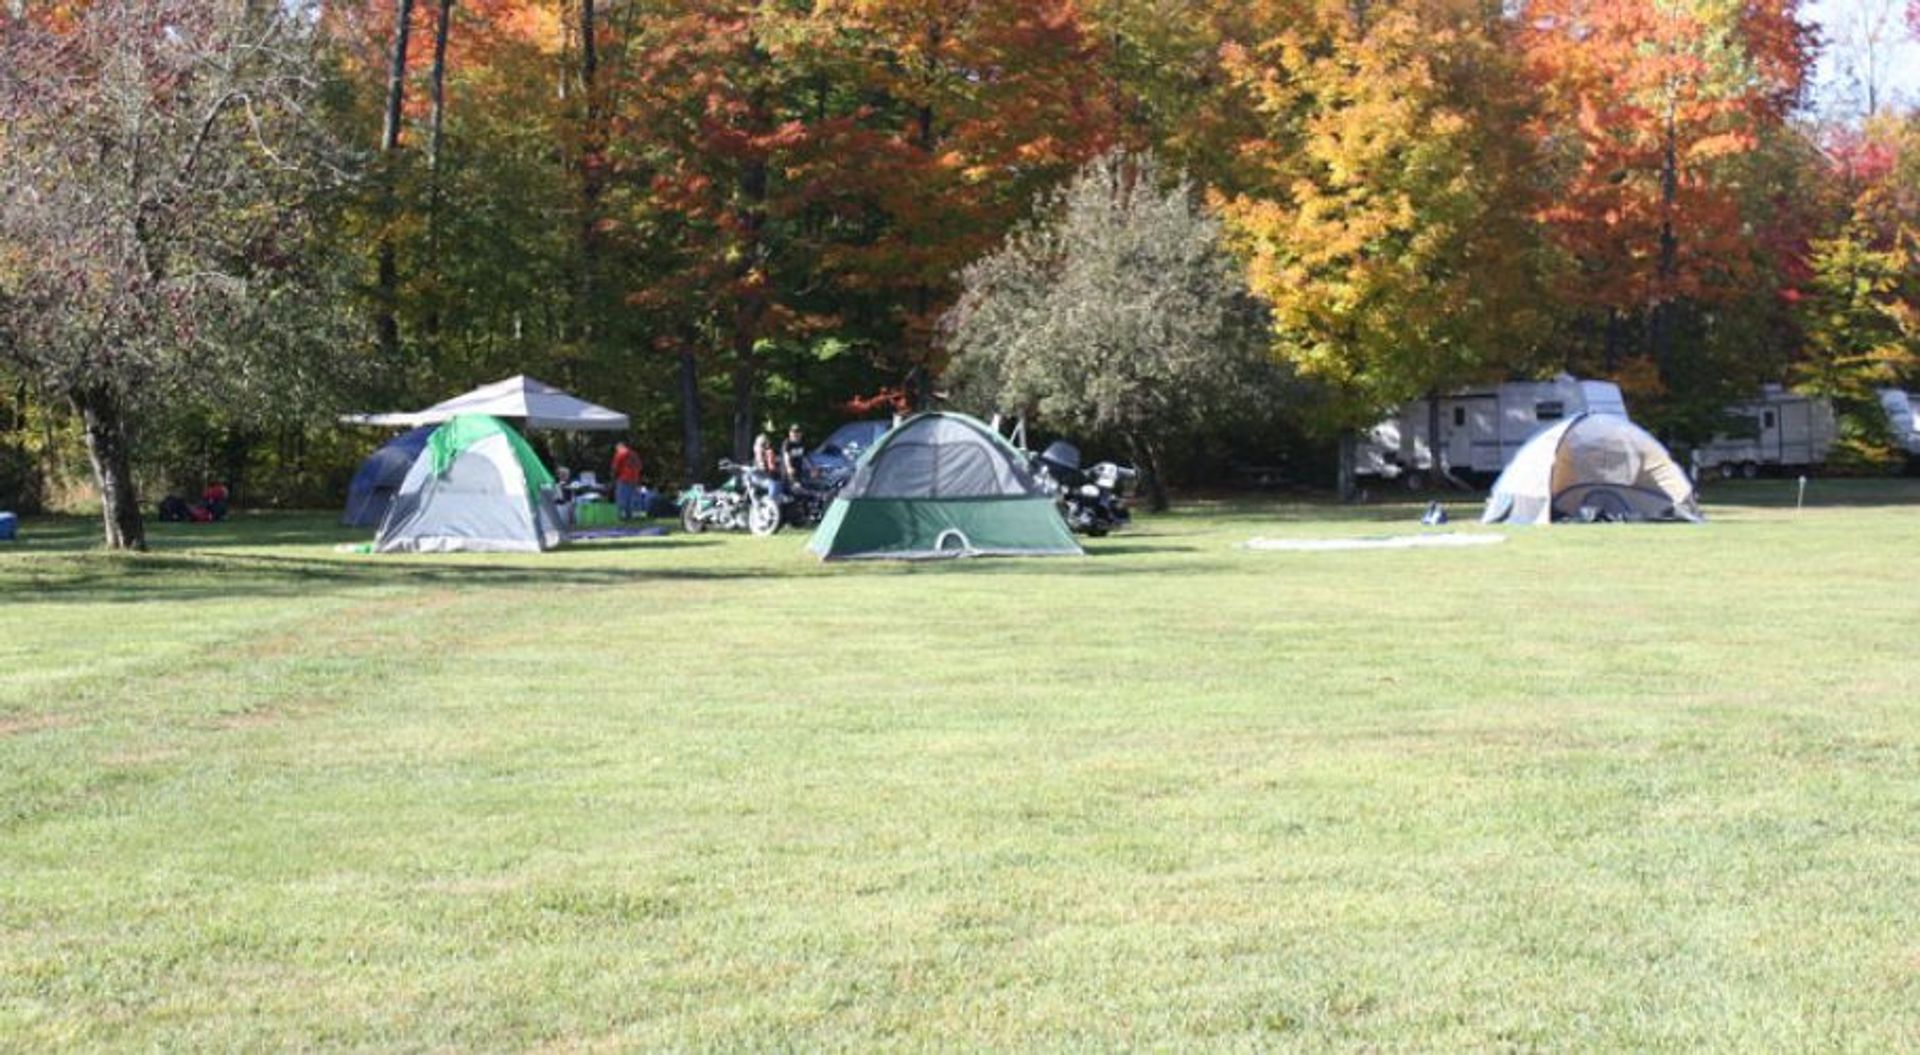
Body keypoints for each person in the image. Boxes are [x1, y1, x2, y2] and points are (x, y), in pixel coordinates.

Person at [611, 442, 644, 520]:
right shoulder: (634, 454)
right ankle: (631, 515)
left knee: (621, 497)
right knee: (631, 498)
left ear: (619, 447)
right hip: (634, 479)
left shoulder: (620, 453)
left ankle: (621, 516)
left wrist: (613, 477)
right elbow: (640, 466)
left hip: (624, 478)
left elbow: (615, 467)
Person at [780, 424, 809, 488]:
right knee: (796, 488)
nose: (796, 434)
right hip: (788, 473)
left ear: (801, 433)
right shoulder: (787, 443)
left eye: (798, 432)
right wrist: (789, 467)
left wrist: (812, 468)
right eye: (793, 432)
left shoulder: (802, 443)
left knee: (804, 486)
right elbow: (786, 456)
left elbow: (805, 457)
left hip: (799, 471)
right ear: (790, 433)